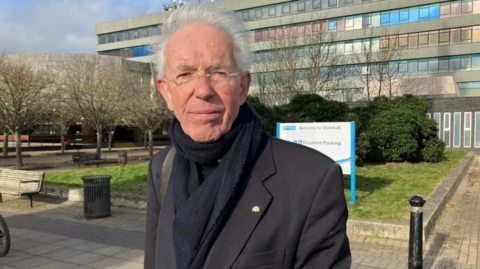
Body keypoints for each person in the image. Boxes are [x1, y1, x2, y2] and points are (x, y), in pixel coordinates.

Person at [144, 3, 351, 269]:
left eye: (217, 72)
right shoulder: (162, 169)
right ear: (166, 92)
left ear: (242, 87)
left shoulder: (312, 180)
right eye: (185, 74)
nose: (203, 90)